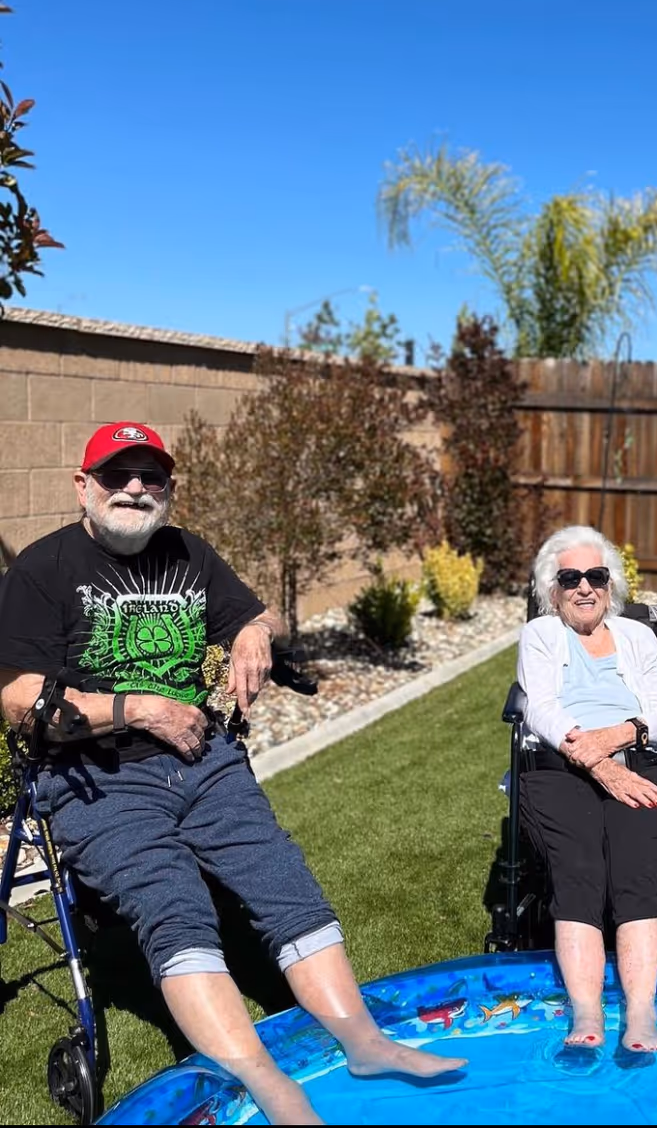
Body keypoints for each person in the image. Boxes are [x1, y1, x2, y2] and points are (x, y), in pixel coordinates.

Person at [0, 421, 465, 1126]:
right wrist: (141, 707)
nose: (134, 488)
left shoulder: (189, 551)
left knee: (284, 882)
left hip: (203, 760)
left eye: (150, 476)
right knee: (174, 903)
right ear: (82, 486)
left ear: (170, 489)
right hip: (98, 776)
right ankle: (266, 1080)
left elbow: (255, 614)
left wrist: (251, 632)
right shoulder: (43, 568)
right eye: (116, 475)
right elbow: (14, 696)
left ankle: (368, 1040)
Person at [517, 525, 657, 1053]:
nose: (584, 587)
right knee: (578, 870)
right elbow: (537, 705)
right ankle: (585, 1008)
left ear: (611, 585)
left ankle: (640, 1009)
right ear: (552, 589)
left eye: (596, 576)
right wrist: (597, 761)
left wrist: (622, 737)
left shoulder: (639, 636)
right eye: (570, 578)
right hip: (560, 766)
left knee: (637, 871)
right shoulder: (540, 635)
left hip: (638, 759)